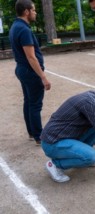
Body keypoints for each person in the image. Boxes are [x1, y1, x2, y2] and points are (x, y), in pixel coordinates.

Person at [9, 0, 51, 145]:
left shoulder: (15, 26)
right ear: (26, 11)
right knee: (35, 105)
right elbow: (31, 57)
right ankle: (39, 136)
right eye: (33, 10)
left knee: (29, 102)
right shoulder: (24, 30)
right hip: (29, 71)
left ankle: (32, 133)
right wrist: (43, 77)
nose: (35, 12)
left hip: (22, 69)